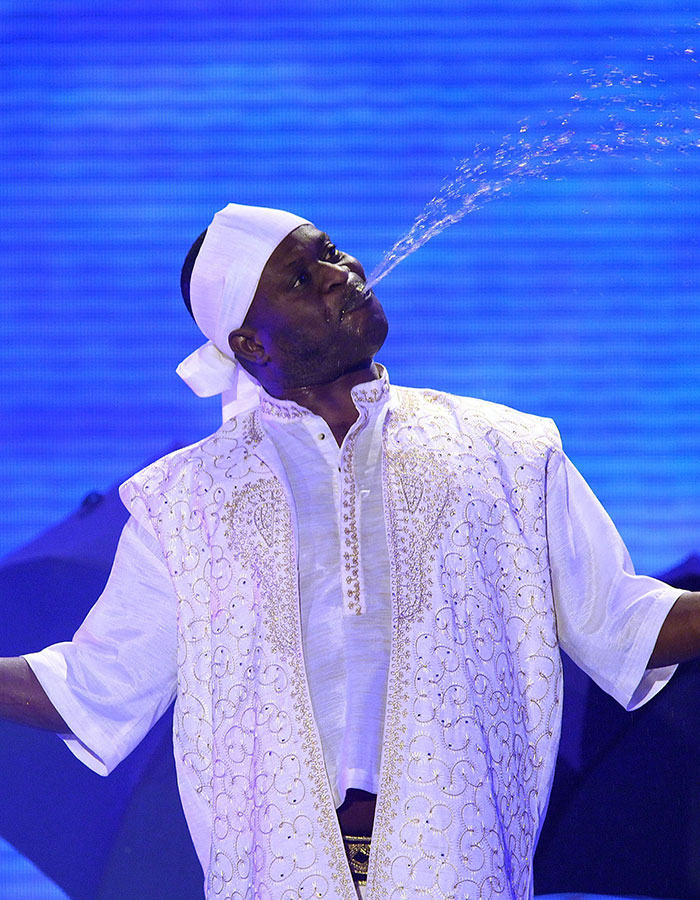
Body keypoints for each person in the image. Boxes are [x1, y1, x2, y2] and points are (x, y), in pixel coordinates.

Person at [1, 202, 699, 900]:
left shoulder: (509, 451)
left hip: (459, 868)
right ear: (250, 345)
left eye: (330, 252)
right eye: (301, 280)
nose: (339, 274)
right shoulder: (183, 501)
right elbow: (91, 686)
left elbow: (624, 624)